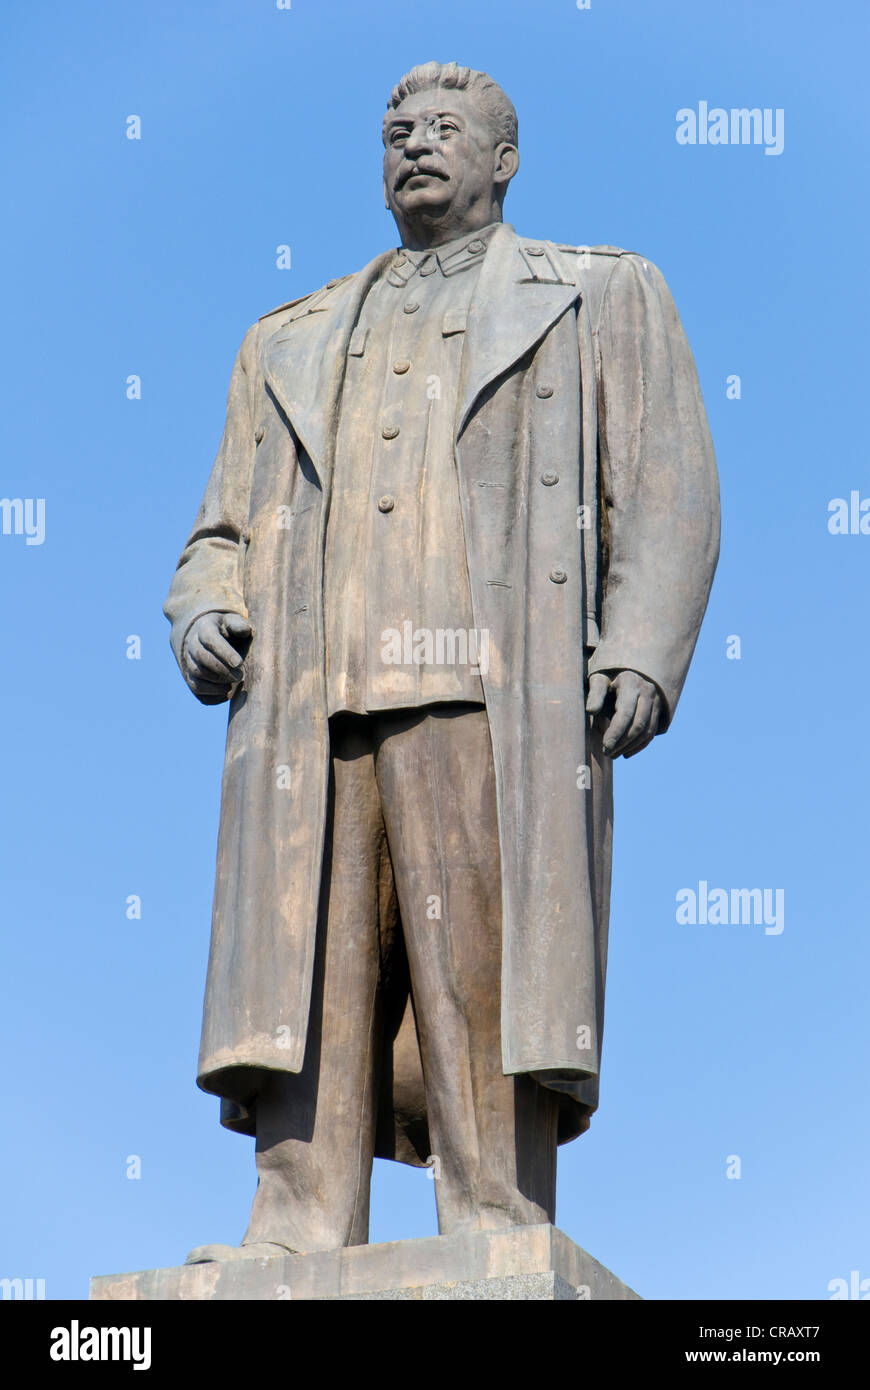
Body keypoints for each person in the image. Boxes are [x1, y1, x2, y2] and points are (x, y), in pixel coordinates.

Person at [164, 60, 720, 1261]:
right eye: (397, 132)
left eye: (446, 130)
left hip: (492, 690)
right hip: (312, 700)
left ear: (504, 160)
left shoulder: (594, 294)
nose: (417, 146)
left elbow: (671, 487)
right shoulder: (289, 336)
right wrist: (203, 600)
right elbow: (217, 528)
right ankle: (298, 1221)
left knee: (483, 967)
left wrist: (641, 646)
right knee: (306, 976)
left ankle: (495, 1215)